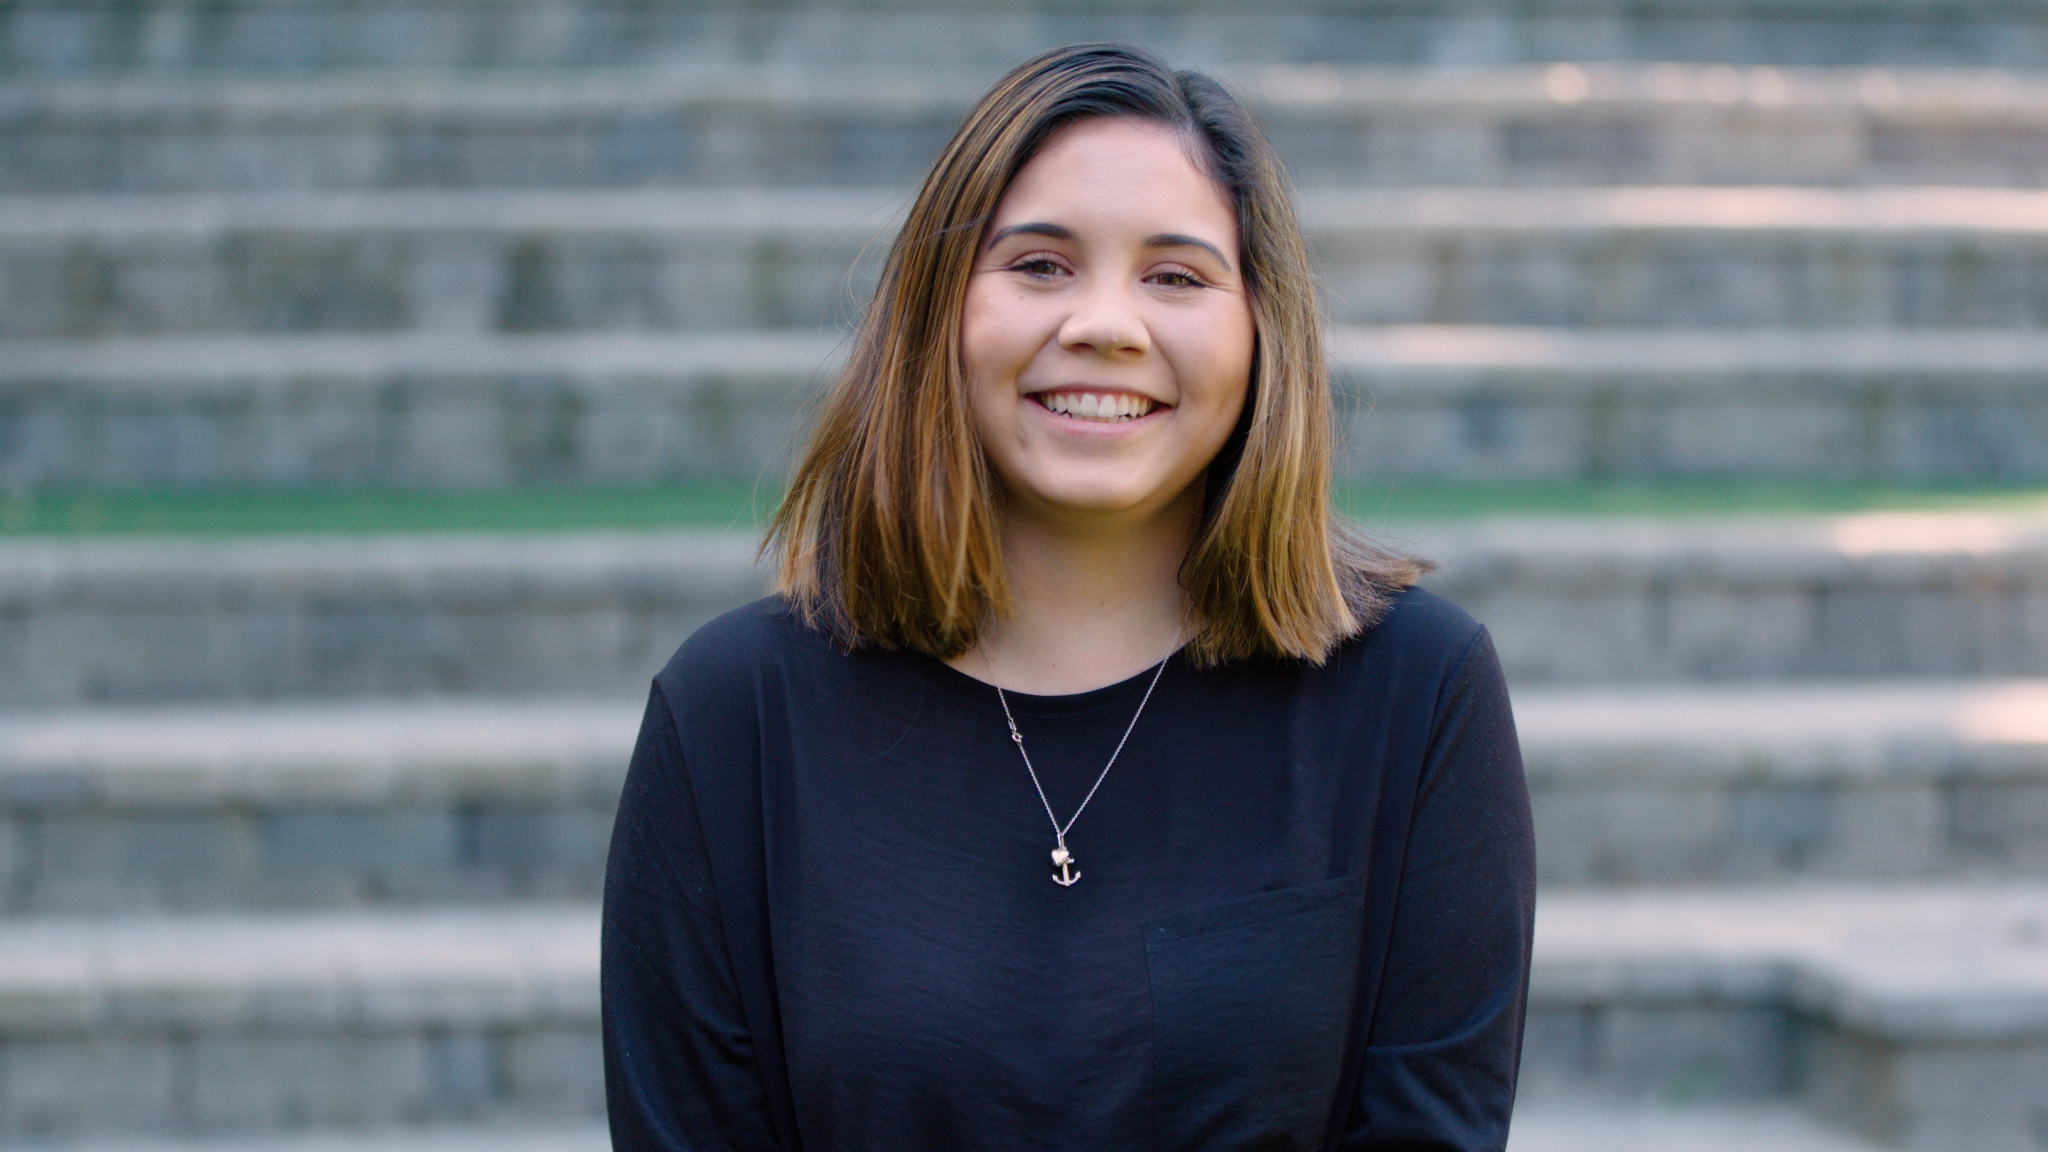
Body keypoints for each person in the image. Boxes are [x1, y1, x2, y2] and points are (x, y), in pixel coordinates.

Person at [602, 42, 1534, 1151]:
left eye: (1176, 275)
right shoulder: (730, 719)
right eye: (1038, 265)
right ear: (936, 314)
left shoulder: (1416, 696)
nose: (1104, 323)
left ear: (1260, 332)